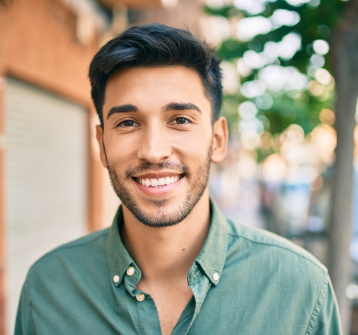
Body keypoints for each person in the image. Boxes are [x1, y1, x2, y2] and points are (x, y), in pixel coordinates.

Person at [15, 23, 341, 335]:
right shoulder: (47, 288)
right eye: (128, 123)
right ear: (101, 144)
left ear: (217, 140)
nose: (154, 151)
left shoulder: (302, 288)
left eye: (180, 119)